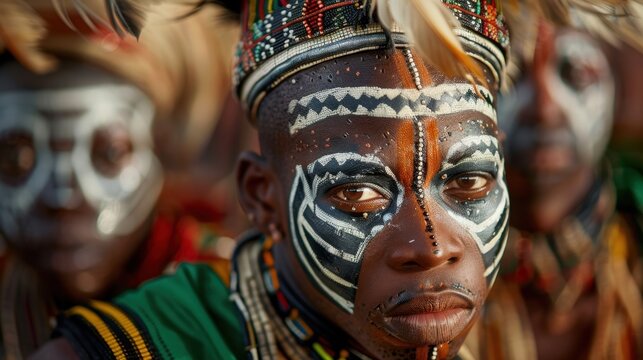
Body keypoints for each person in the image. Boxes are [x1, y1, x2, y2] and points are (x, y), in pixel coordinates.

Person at [32, 1, 640, 359]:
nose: (430, 246)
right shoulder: (158, 344)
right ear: (261, 197)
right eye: (356, 192)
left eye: (470, 183)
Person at [0, 1, 237, 357]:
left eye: (109, 153)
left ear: (160, 149)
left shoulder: (241, 305)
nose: (62, 197)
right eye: (17, 159)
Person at [467, 21, 643, 360]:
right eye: (510, 76)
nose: (544, 110)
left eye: (576, 75)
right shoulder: (429, 286)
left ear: (618, 91)